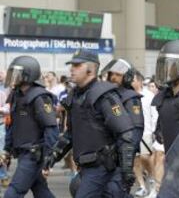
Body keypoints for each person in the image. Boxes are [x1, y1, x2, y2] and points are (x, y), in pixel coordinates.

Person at [43, 49, 142, 197]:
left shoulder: (105, 95)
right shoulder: (74, 96)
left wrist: (126, 171)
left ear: (90, 70)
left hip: (103, 167)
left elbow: (126, 133)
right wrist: (53, 156)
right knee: (77, 188)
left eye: (77, 65)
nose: (72, 69)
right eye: (72, 65)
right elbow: (71, 133)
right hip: (86, 167)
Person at [3, 56, 59, 198]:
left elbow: (51, 129)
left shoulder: (40, 97)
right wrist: (7, 150)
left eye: (17, 73)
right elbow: (12, 124)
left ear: (28, 75)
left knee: (13, 193)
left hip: (34, 155)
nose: (13, 77)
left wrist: (49, 158)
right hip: (24, 152)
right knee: (41, 191)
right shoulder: (16, 95)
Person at [101, 59, 146, 196]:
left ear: (126, 77)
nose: (113, 77)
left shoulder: (130, 98)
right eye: (111, 74)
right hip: (104, 157)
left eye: (117, 75)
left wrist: (125, 159)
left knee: (115, 192)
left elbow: (135, 132)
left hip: (120, 156)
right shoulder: (107, 96)